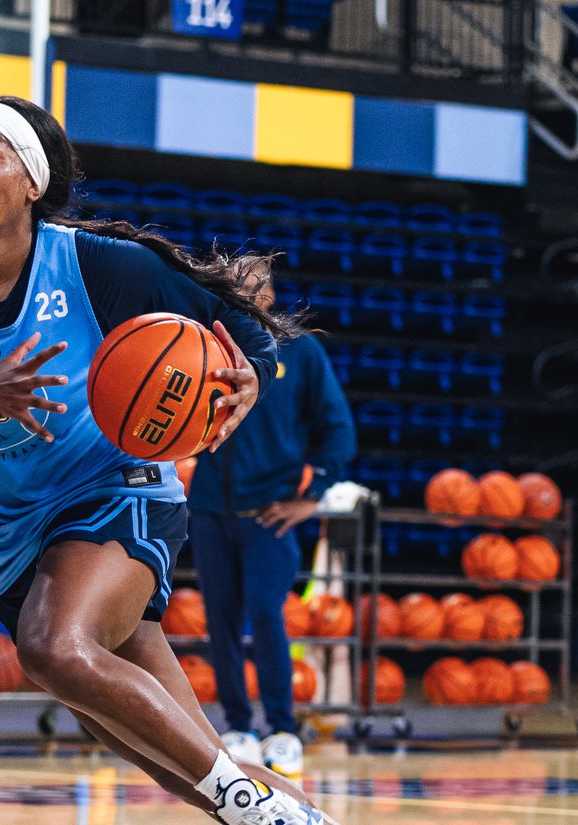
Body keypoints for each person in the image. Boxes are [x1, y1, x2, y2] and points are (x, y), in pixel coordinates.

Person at [0, 97, 334, 825]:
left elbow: (239, 323)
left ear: (32, 181)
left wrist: (252, 374)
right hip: (6, 542)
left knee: (51, 644)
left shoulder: (96, 266)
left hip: (110, 492)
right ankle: (279, 810)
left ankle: (248, 806)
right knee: (190, 763)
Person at [187, 269, 356, 781]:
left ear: (272, 295)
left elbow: (338, 429)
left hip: (269, 515)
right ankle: (238, 727)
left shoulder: (301, 352)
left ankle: (282, 728)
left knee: (266, 617)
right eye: (236, 287)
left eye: (255, 287)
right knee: (219, 623)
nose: (246, 295)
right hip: (211, 510)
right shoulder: (204, 346)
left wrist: (311, 498)